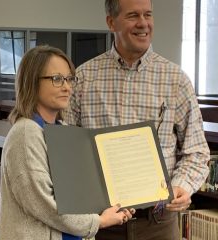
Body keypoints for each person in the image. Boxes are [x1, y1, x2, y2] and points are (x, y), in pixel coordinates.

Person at [64, 0, 210, 239]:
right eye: (133, 16)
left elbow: (197, 151)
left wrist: (182, 185)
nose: (143, 23)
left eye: (148, 15)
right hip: (102, 223)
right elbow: (69, 150)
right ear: (111, 22)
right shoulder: (83, 78)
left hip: (158, 223)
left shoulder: (176, 80)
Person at [0, 45, 135, 240]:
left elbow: (77, 196)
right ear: (31, 82)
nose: (67, 87)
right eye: (56, 79)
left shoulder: (61, 130)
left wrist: (112, 206)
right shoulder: (25, 133)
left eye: (69, 79)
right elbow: (44, 204)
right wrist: (99, 221)